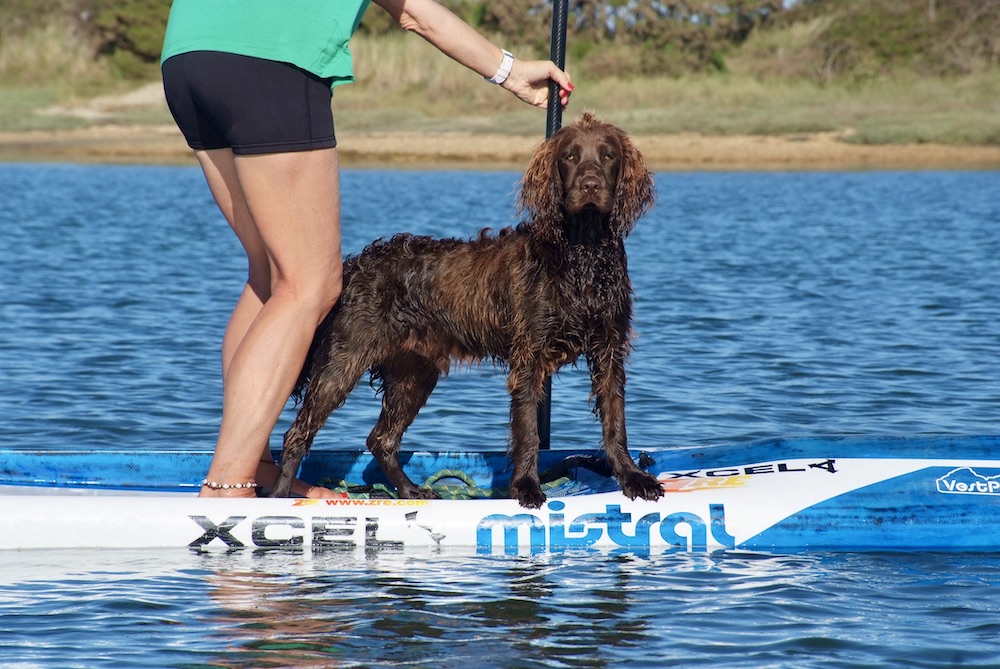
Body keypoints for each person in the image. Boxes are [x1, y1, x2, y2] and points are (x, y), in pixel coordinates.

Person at [160, 0, 574, 498]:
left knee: (269, 275)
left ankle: (258, 466)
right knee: (309, 285)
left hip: (188, 53)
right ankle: (229, 482)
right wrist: (509, 71)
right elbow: (414, 11)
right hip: (271, 59)